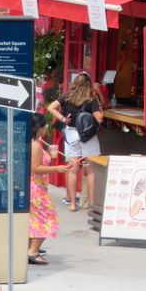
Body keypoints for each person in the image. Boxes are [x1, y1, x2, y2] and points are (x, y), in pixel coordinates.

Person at [47, 73, 105, 212]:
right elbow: (99, 119)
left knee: (72, 170)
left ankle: (72, 204)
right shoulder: (91, 99)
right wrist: (99, 107)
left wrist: (63, 118)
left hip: (71, 135)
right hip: (87, 136)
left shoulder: (67, 96)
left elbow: (51, 107)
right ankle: (91, 204)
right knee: (90, 171)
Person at [29, 113, 70, 264]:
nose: (47, 127)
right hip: (35, 188)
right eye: (45, 125)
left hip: (37, 187)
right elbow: (35, 168)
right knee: (48, 217)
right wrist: (56, 168)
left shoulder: (37, 143)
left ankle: (32, 248)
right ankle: (32, 251)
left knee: (35, 218)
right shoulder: (35, 146)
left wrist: (51, 159)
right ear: (39, 128)